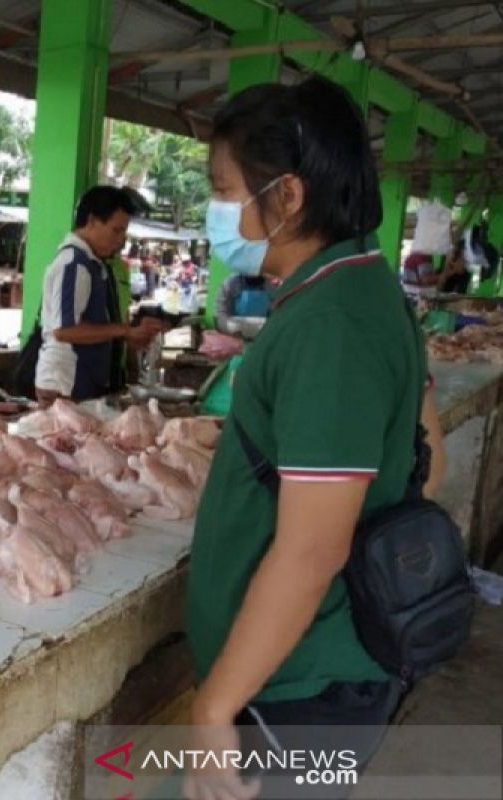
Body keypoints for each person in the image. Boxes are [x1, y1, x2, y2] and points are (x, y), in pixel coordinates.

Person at [185, 76, 445, 800]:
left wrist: (212, 710)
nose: (217, 210)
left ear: (289, 196)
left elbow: (313, 549)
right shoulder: (360, 285)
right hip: (311, 682)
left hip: (300, 692)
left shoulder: (332, 321)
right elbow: (434, 457)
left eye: (224, 189)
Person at [33, 186, 162, 406]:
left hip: (81, 384)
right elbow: (64, 330)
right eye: (116, 230)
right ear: (92, 221)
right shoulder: (74, 264)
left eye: (124, 232)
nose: (121, 240)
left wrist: (129, 332)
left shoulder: (94, 263)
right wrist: (124, 330)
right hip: (65, 385)